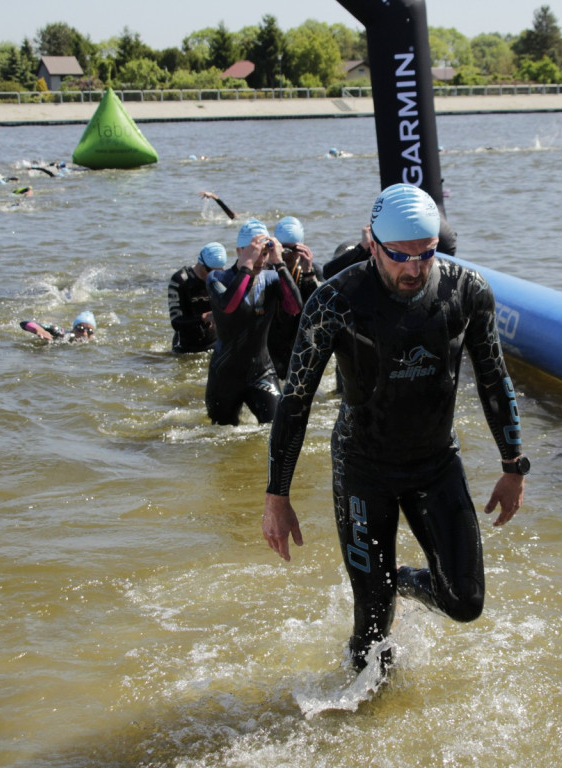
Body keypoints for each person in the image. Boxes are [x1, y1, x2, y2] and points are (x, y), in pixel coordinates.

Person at [262, 183, 528, 674]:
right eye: (399, 256)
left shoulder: (466, 291)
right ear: (374, 244)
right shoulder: (334, 301)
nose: (413, 268)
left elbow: (494, 378)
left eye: (425, 255)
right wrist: (277, 497)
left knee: (464, 601)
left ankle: (403, 581)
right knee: (370, 632)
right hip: (364, 468)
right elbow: (295, 402)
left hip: (435, 463)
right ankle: (363, 730)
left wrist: (513, 465)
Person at [205, 219, 303, 426]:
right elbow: (229, 306)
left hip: (261, 372)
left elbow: (295, 307)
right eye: (255, 253)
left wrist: (279, 263)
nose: (260, 260)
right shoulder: (217, 278)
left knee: (279, 427)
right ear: (239, 250)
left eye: (264, 254)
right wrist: (247, 267)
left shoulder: (270, 278)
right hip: (225, 376)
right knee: (220, 437)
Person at [267, 216, 321, 380]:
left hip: (296, 342)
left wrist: (309, 274)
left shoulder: (311, 271)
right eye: (283, 249)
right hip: (271, 345)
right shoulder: (265, 271)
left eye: (293, 249)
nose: (288, 255)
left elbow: (318, 311)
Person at [168, 241, 226, 353]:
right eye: (211, 271)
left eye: (219, 272)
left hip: (215, 344)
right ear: (201, 263)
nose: (213, 276)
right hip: (186, 347)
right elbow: (176, 322)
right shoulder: (180, 280)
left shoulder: (221, 278)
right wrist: (202, 318)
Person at [20, 310, 96, 342]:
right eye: (80, 329)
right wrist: (40, 330)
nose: (84, 334)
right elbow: (24, 323)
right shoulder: (62, 333)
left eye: (90, 331)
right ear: (73, 329)